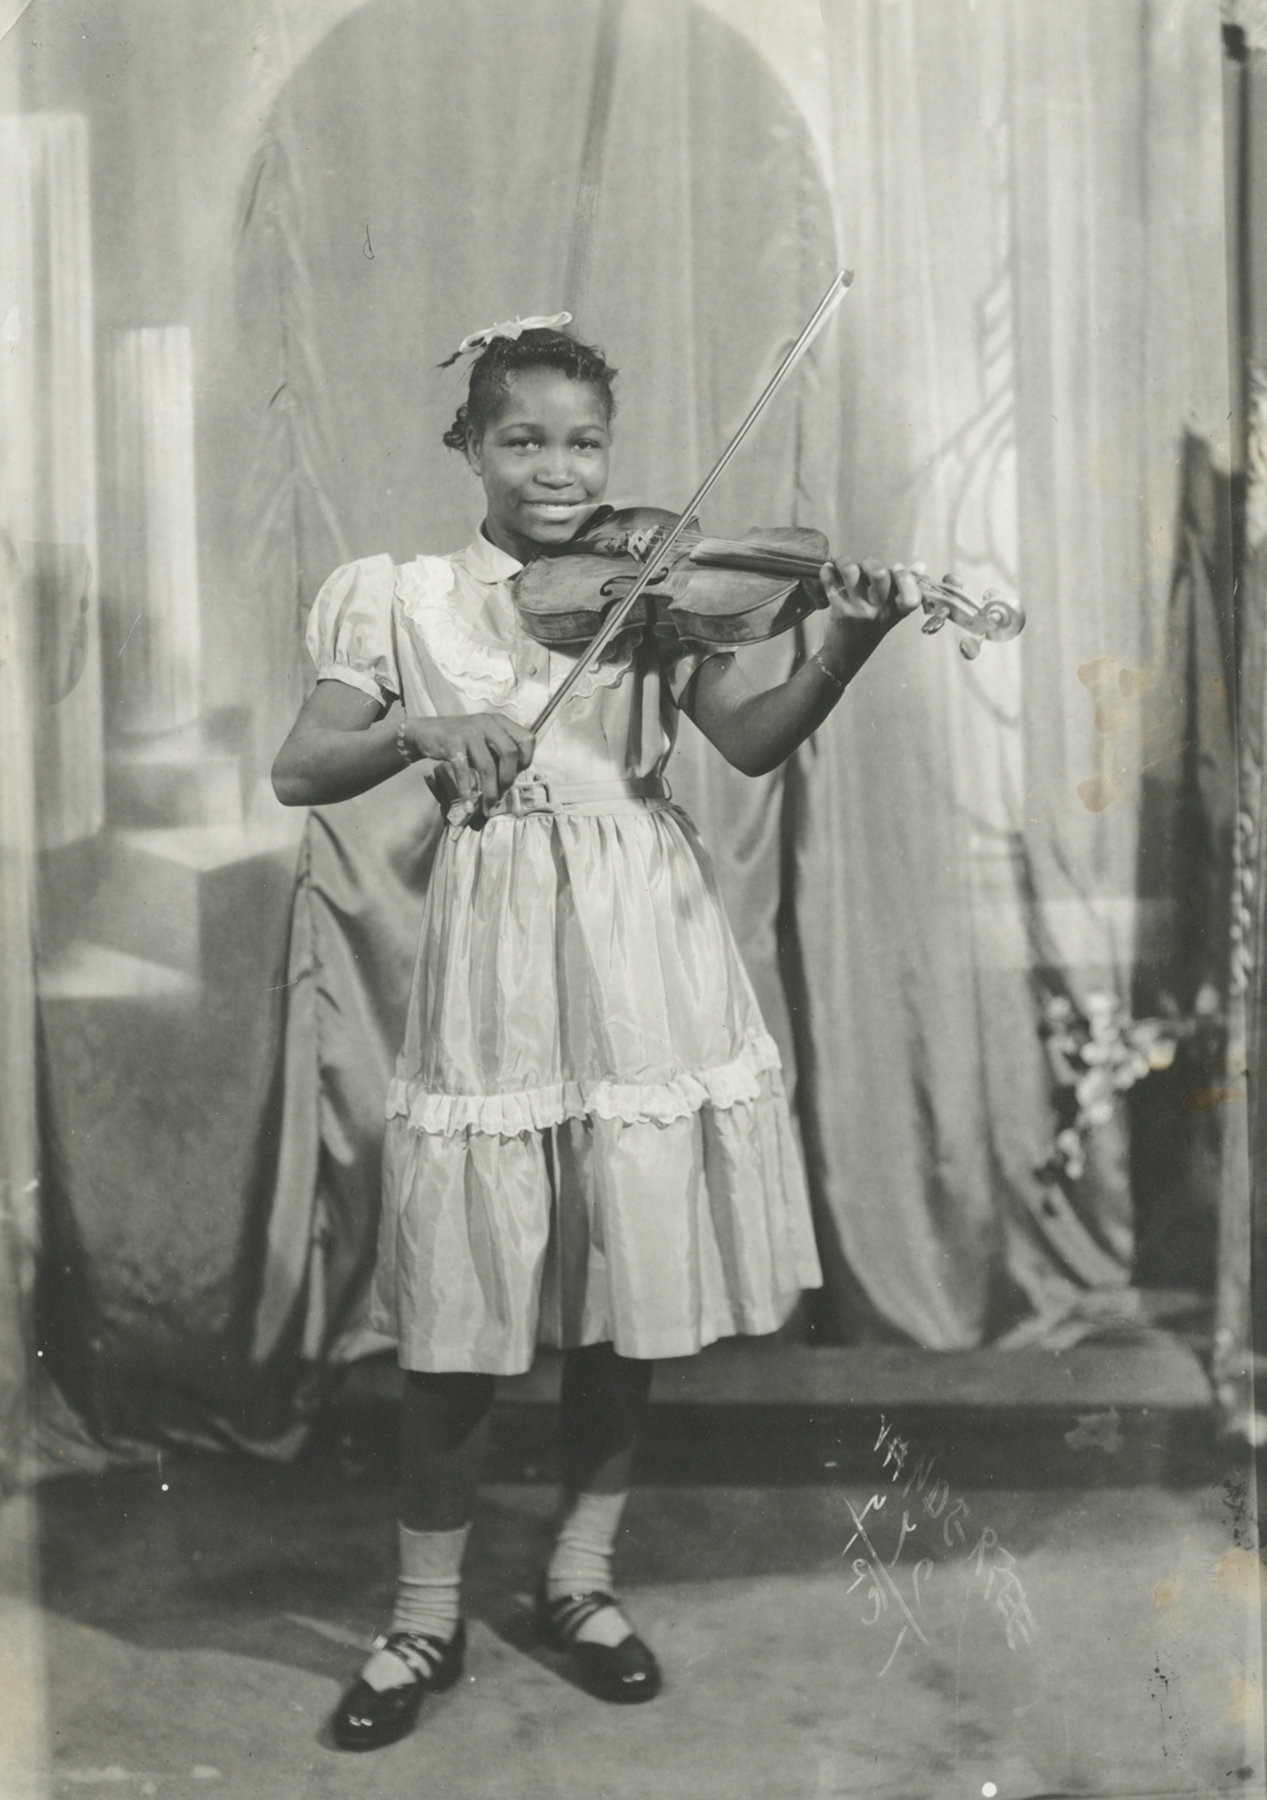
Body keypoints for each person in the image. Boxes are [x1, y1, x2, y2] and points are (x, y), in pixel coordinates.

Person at [271, 317, 921, 1751]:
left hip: (644, 941)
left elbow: (750, 740)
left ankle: (580, 1580)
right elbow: (300, 766)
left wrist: (850, 640)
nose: (558, 471)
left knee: (626, 1277)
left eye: (583, 443)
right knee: (461, 1306)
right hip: (499, 952)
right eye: (524, 440)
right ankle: (422, 1617)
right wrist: (421, 733)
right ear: (470, 447)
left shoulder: (654, 592)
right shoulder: (403, 597)